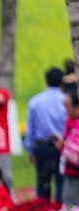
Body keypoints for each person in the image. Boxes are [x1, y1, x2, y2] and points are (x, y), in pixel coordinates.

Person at [25, 68, 67, 201]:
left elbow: (30, 128)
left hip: (41, 147)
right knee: (61, 182)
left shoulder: (35, 101)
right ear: (62, 82)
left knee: (43, 183)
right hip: (61, 146)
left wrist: (30, 149)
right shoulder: (66, 101)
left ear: (46, 81)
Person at [59, 84, 79, 206]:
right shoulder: (70, 121)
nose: (66, 111)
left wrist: (65, 146)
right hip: (69, 170)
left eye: (67, 107)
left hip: (74, 172)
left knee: (71, 206)